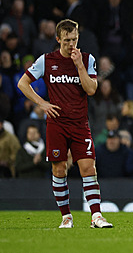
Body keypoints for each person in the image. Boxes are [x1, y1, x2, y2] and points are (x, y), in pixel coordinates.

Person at [16, 19, 113, 229]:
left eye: (75, 40)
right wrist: (42, 103)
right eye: (67, 40)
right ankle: (66, 217)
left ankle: (96, 216)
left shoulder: (86, 59)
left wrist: (79, 66)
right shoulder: (47, 61)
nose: (72, 45)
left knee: (88, 168)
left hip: (80, 124)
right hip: (57, 125)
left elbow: (91, 89)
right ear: (58, 39)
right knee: (59, 170)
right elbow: (22, 83)